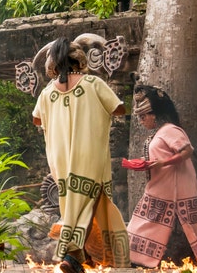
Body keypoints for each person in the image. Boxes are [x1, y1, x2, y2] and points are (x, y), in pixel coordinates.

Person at [32, 37, 130, 272]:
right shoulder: (92, 83)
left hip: (60, 159)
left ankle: (84, 257)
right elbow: (119, 109)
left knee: (73, 205)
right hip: (88, 155)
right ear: (79, 59)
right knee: (88, 202)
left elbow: (36, 119)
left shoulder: (47, 92)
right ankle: (72, 256)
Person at [125, 85, 197, 268]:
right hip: (160, 185)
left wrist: (164, 163)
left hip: (176, 185)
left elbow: (187, 151)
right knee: (145, 220)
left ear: (155, 114)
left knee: (189, 222)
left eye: (143, 116)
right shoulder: (157, 134)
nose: (141, 120)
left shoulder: (169, 130)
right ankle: (141, 258)